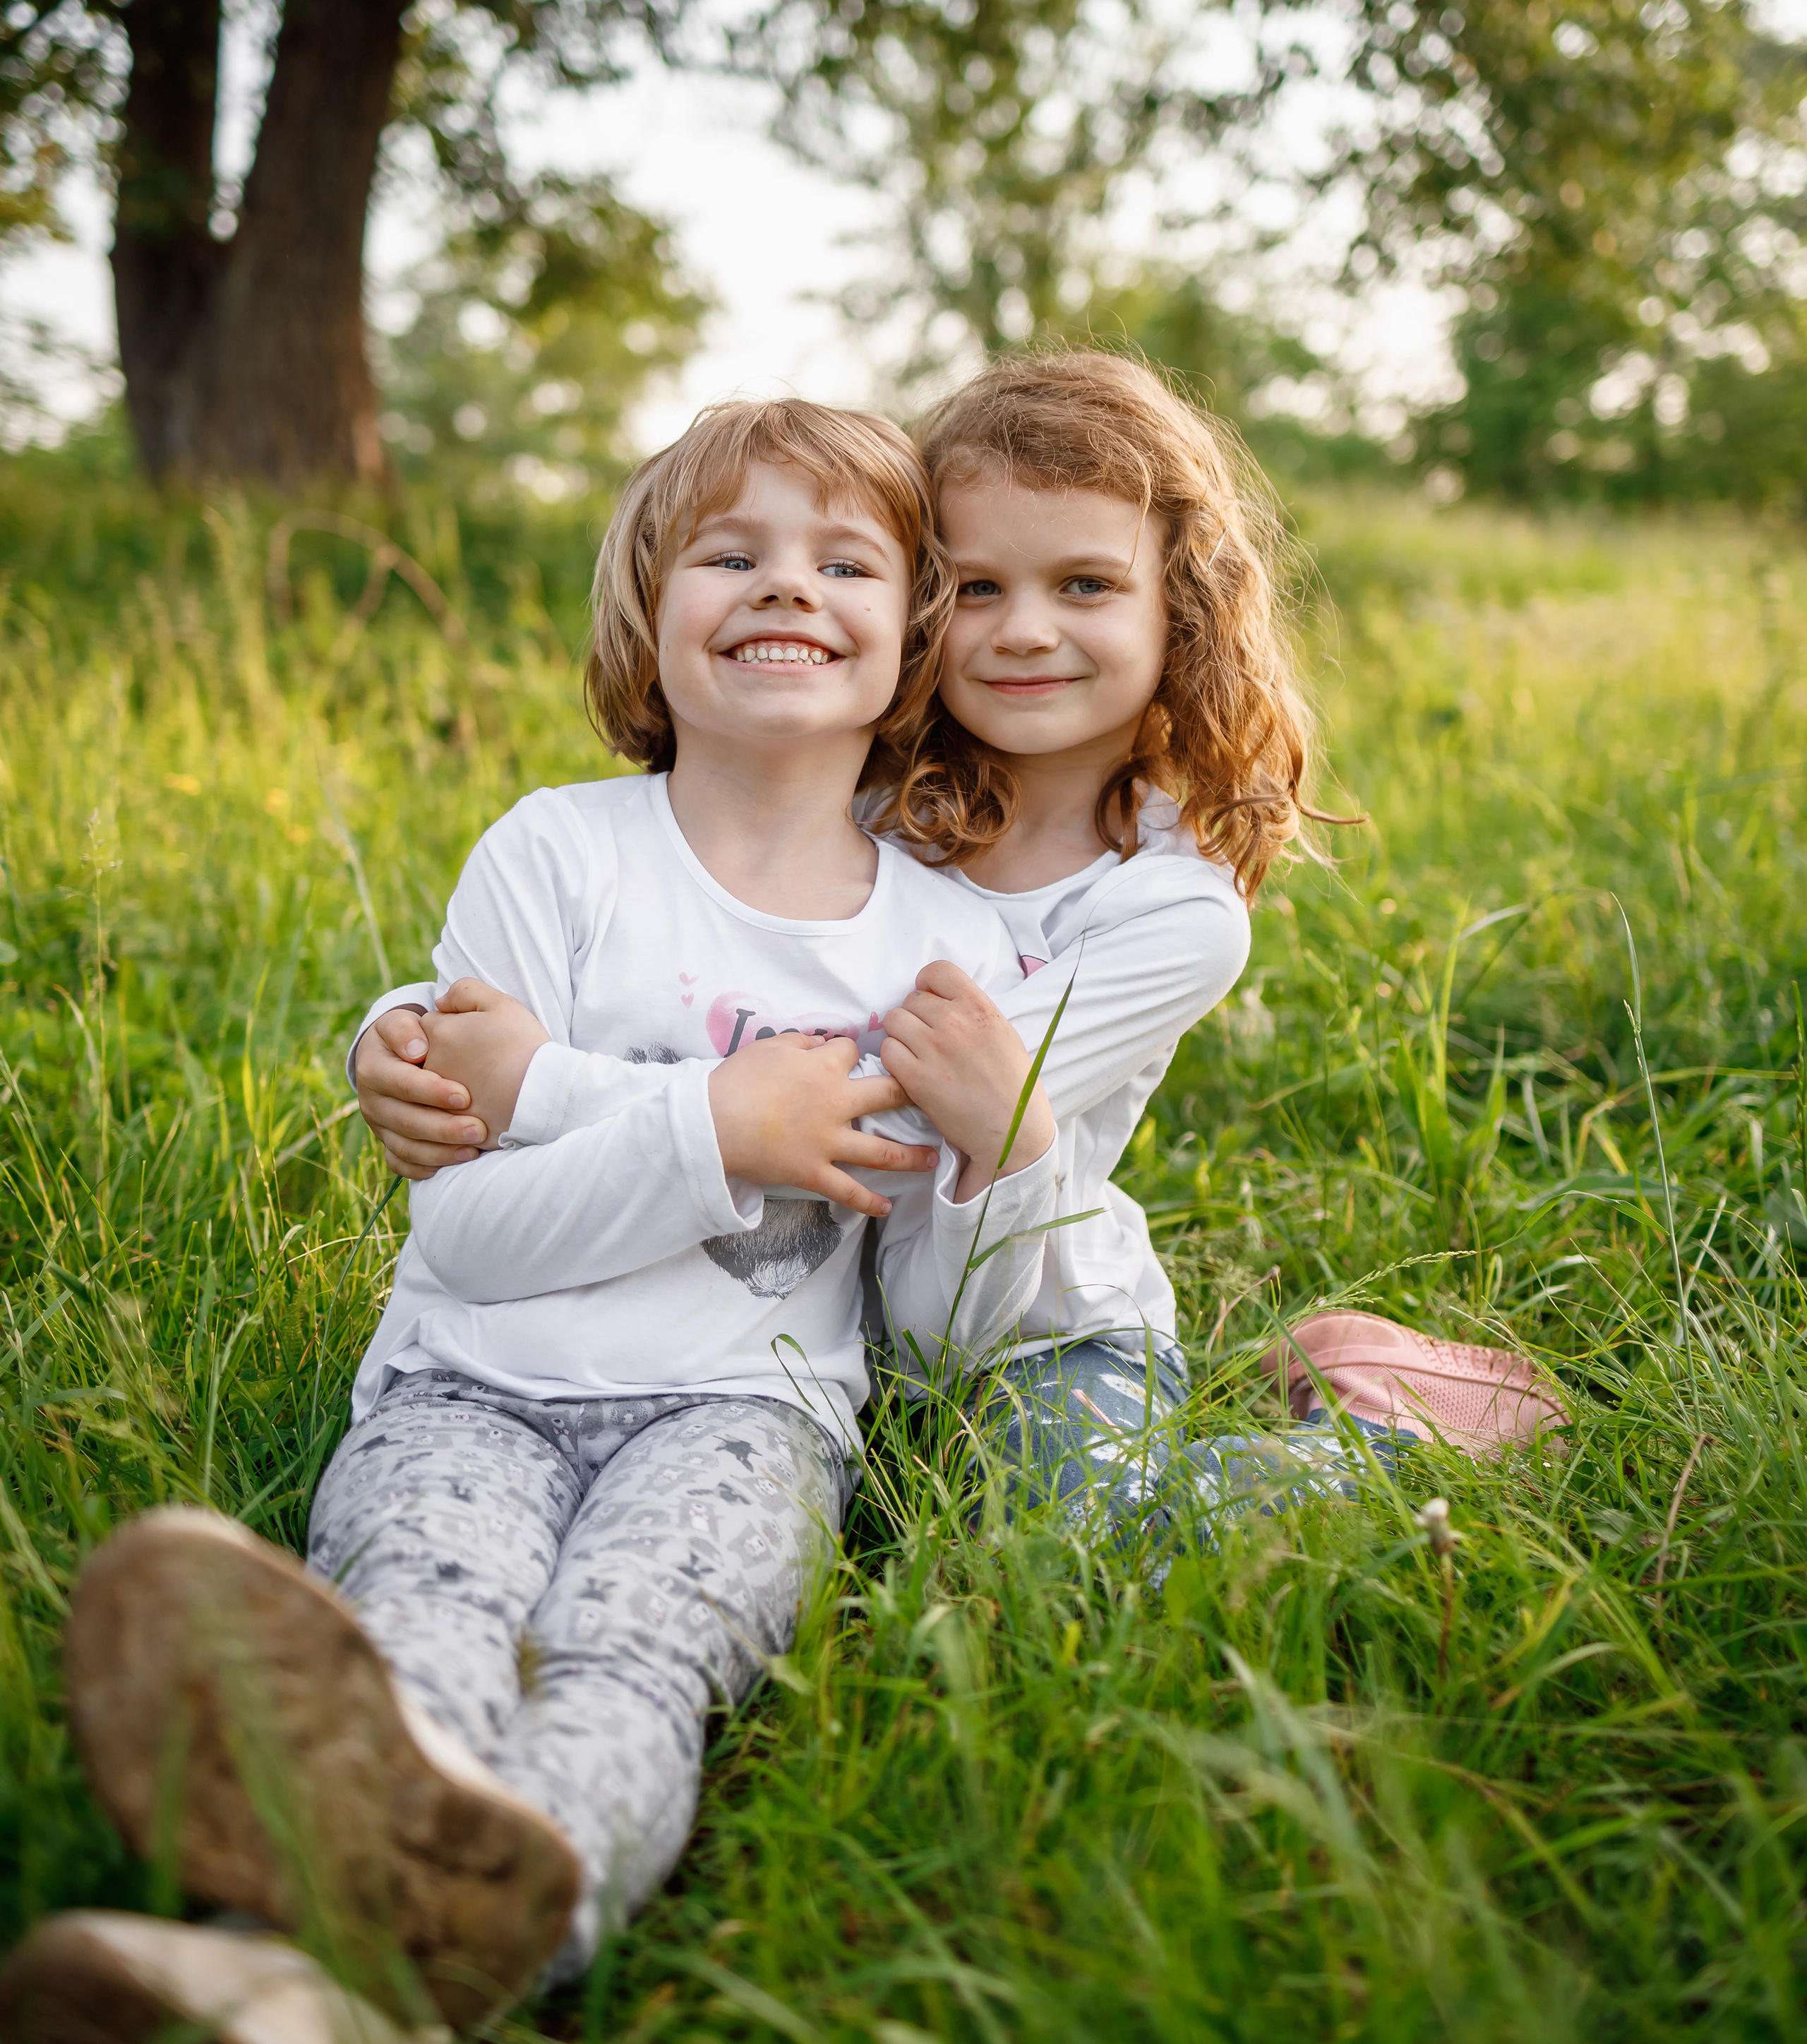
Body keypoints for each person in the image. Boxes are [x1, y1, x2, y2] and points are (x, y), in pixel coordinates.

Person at [3, 400, 1065, 2044]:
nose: (782, 585)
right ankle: (347, 1994)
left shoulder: (949, 941)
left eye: (842, 560)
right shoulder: (558, 852)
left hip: (744, 1422)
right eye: (729, 553)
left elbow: (934, 1315)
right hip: (468, 1386)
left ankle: (290, 1991)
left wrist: (998, 1158)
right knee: (413, 1630)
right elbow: (475, 1235)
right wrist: (714, 1129)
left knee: (630, 1659)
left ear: (910, 642)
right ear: (648, 622)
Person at [354, 352, 1566, 1551]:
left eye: (1086, 585)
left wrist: (536, 1084)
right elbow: (690, 914)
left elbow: (881, 1106)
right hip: (802, 1312)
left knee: (1057, 1543)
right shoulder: (870, 798)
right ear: (923, 602)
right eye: (979, 587)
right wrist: (414, 1034)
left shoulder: (1171, 914)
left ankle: (1384, 1424)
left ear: (1178, 610)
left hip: (1020, 1314)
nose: (1025, 631)